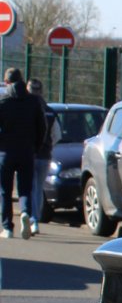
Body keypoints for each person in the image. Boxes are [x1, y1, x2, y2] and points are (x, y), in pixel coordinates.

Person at [0, 67, 47, 239]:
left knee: (5, 190)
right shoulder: (33, 102)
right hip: (27, 152)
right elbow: (42, 127)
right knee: (25, 189)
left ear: (6, 82)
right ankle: (26, 212)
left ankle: (8, 228)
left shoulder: (3, 101)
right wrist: (36, 146)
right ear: (22, 80)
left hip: (5, 152)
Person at [28, 79, 59, 230]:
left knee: (31, 187)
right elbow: (57, 135)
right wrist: (49, 145)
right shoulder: (50, 111)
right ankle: (36, 219)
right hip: (45, 154)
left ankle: (32, 218)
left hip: (30, 153)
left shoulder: (27, 109)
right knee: (39, 188)